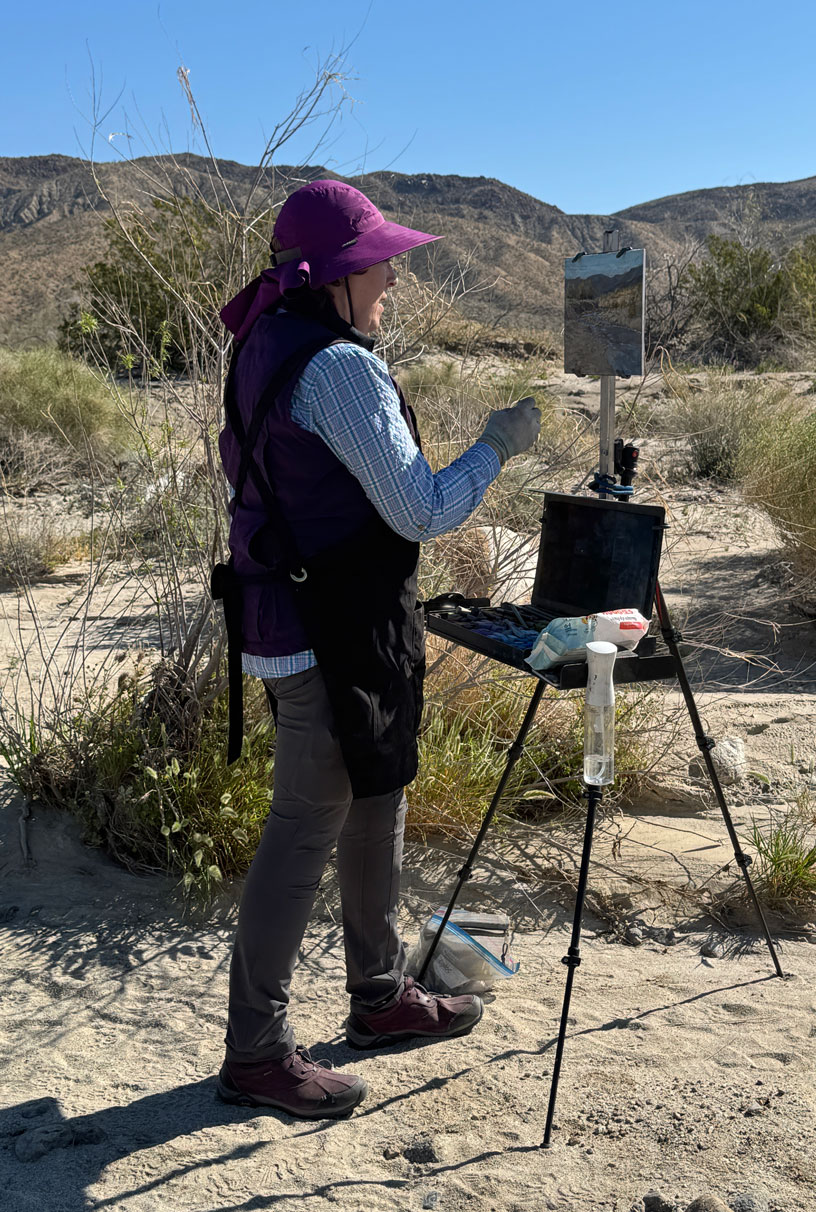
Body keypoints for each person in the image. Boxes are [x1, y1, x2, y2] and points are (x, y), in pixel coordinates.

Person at [214, 179, 541, 1120]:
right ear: (333, 278)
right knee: (305, 830)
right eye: (375, 263)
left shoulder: (262, 342)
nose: (391, 275)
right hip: (332, 631)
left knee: (375, 798)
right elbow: (424, 509)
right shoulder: (339, 368)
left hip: (306, 618)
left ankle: (380, 998)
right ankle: (257, 1053)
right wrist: (494, 446)